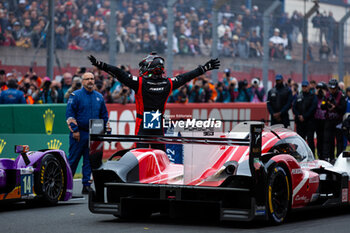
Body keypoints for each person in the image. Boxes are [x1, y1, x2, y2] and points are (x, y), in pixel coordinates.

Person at [88, 52, 220, 150]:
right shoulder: (168, 83)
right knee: (160, 156)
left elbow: (119, 73)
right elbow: (186, 77)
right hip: (158, 124)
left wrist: (101, 65)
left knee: (140, 156)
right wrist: (204, 68)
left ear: (149, 68)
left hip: (142, 126)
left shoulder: (140, 83)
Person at [66, 72, 109, 194]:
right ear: (82, 81)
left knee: (90, 161)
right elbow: (69, 115)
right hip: (79, 134)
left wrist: (106, 130)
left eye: (92, 79)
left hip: (94, 134)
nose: (90, 81)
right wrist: (75, 130)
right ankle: (66, 185)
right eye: (87, 79)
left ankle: (86, 185)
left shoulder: (99, 97)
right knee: (73, 160)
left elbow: (104, 115)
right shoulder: (75, 95)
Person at [322, 79, 346, 163]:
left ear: (336, 88)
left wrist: (335, 106)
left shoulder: (341, 95)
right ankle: (328, 157)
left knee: (339, 140)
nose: (332, 90)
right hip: (329, 121)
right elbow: (322, 106)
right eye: (331, 88)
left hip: (338, 121)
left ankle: (339, 157)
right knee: (328, 139)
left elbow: (343, 109)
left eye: (334, 88)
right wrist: (327, 105)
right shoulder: (327, 95)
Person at [292, 81, 318, 153]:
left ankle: (311, 154)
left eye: (305, 86)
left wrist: (304, 116)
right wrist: (298, 115)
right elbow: (294, 107)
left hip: (309, 122)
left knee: (310, 140)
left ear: (309, 87)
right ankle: (301, 154)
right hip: (300, 123)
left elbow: (313, 108)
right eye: (303, 86)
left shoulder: (313, 96)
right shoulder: (298, 96)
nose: (304, 88)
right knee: (300, 140)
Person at [313, 82, 328, 159]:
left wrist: (325, 95)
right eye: (318, 88)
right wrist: (315, 94)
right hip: (317, 120)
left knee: (325, 138)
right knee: (319, 139)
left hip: (325, 120)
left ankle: (325, 155)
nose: (320, 91)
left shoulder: (326, 97)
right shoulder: (314, 98)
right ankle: (319, 155)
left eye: (321, 89)